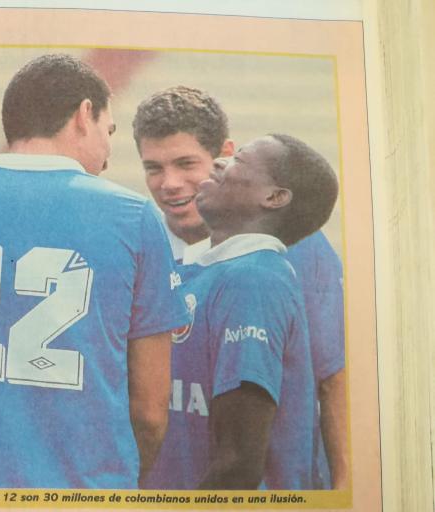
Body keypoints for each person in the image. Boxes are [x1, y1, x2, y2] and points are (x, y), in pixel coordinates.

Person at [0, 53, 188, 488]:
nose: (108, 152)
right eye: (109, 130)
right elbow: (150, 413)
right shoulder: (133, 216)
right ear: (84, 114)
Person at [133, 86, 347, 489]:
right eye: (153, 168)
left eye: (186, 163)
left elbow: (330, 376)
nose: (170, 183)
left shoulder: (266, 270)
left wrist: (345, 490)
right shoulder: (154, 247)